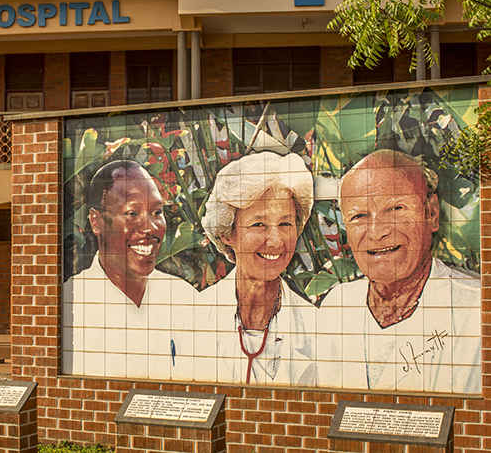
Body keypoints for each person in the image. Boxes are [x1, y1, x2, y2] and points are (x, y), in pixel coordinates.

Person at [319, 149, 480, 393]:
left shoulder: (476, 308)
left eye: (396, 209)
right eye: (359, 216)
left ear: (432, 214)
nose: (377, 231)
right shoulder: (337, 305)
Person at [61, 160, 197, 381]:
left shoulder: (183, 297)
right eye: (132, 213)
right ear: (96, 221)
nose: (150, 228)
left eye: (157, 212)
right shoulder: (72, 302)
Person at [200, 151, 318, 386]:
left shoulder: (318, 327)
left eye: (285, 224)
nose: (275, 241)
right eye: (259, 224)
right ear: (226, 234)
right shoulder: (193, 318)